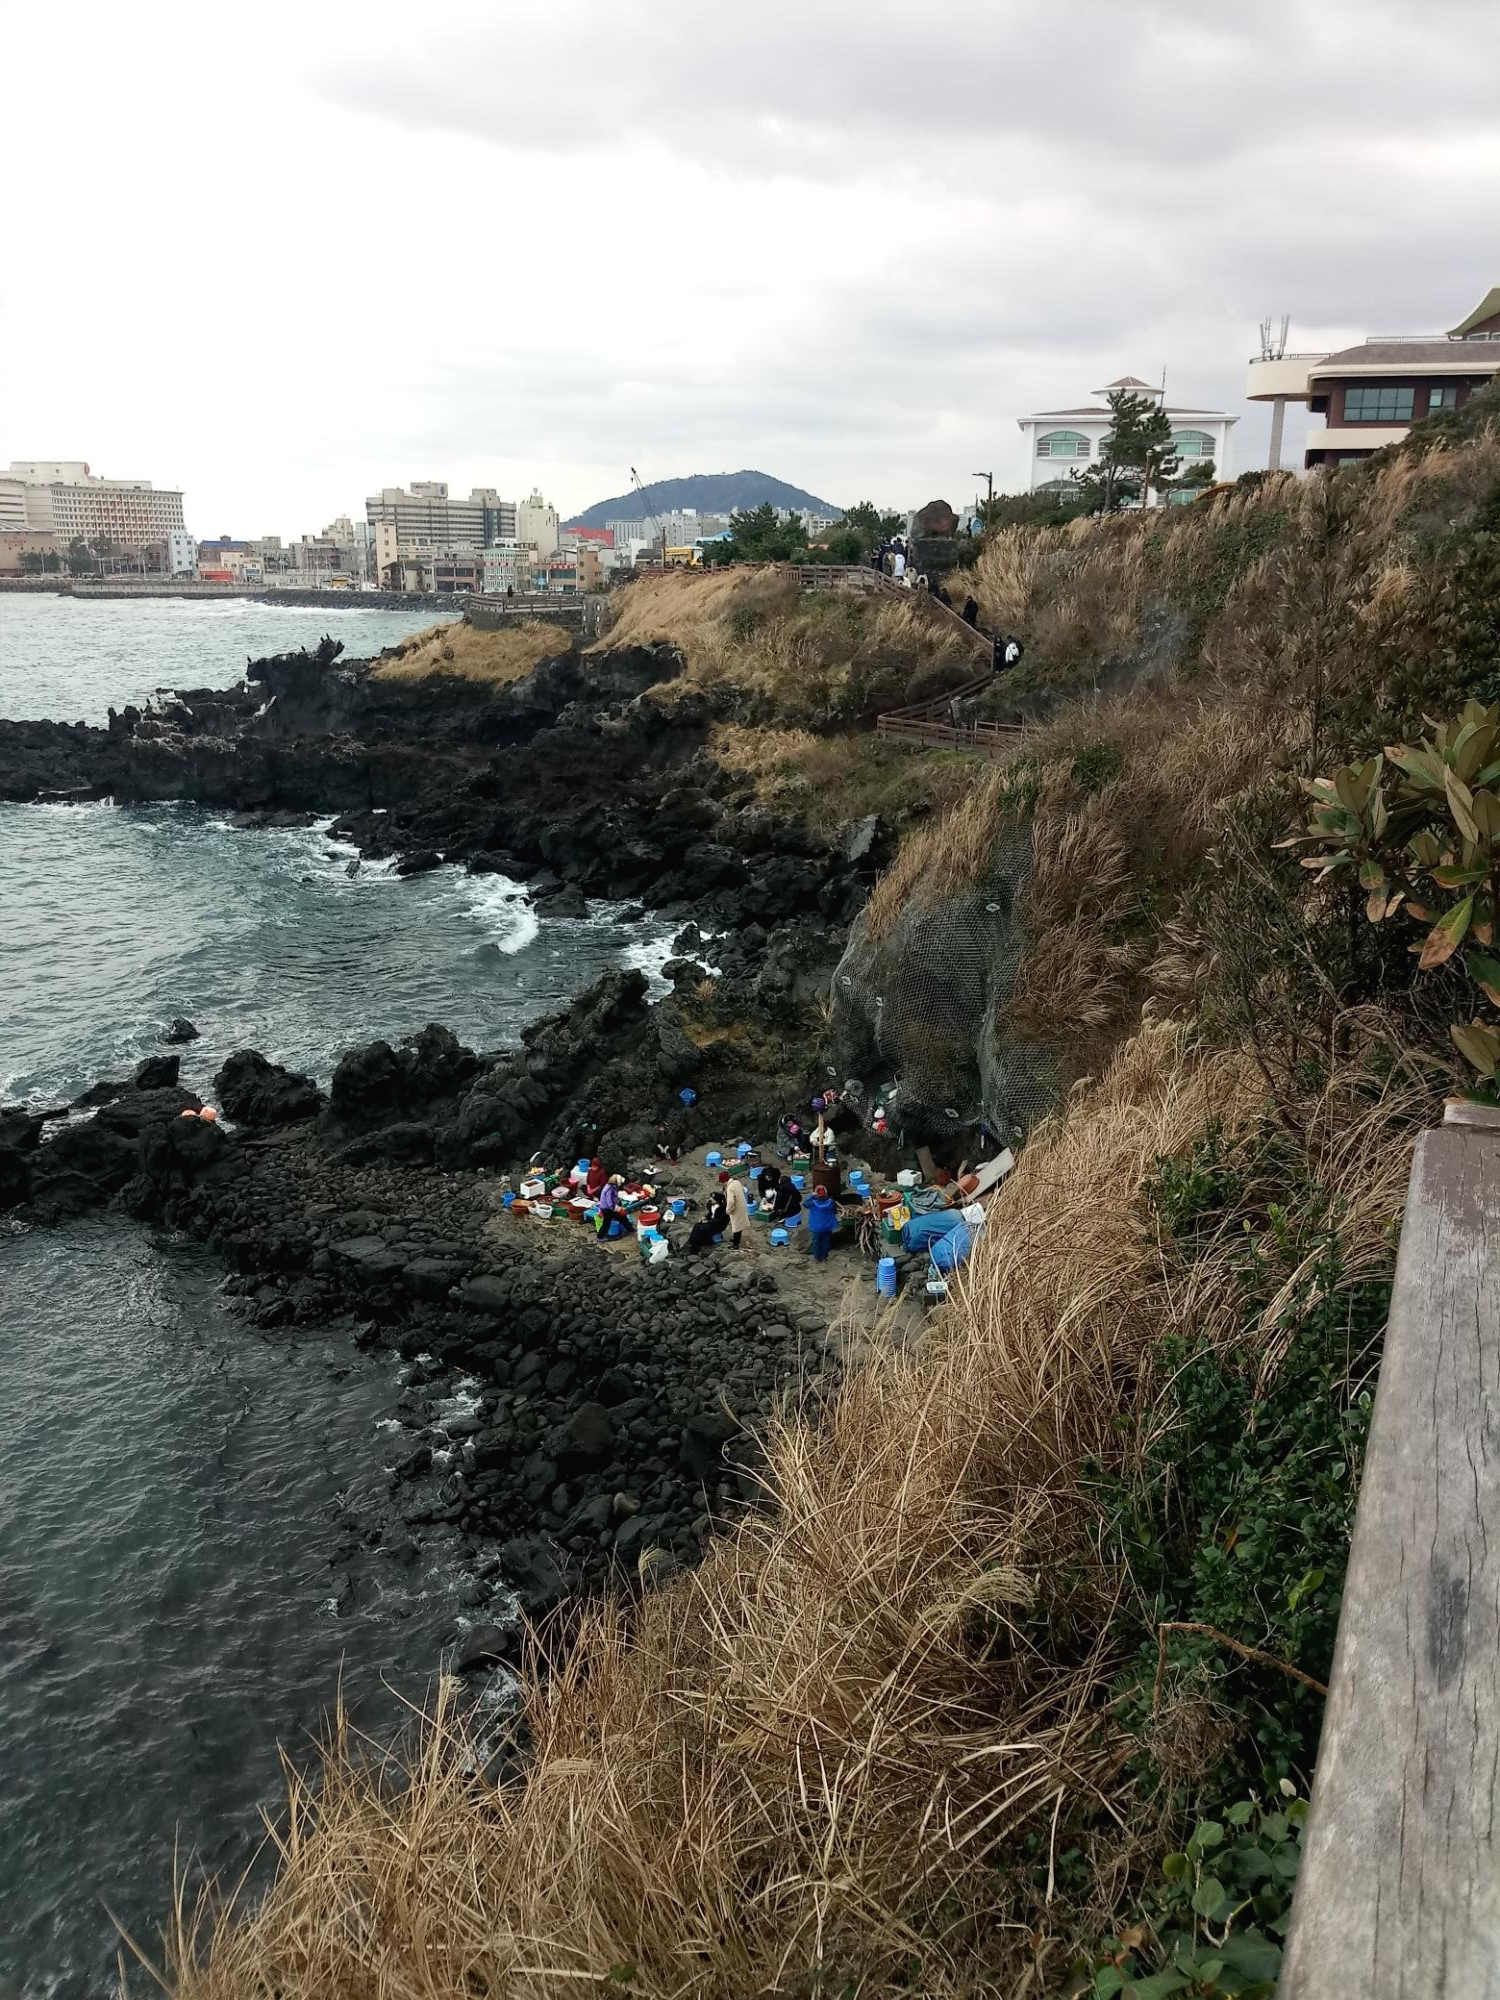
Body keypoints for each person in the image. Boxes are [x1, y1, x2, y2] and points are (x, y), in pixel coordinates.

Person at [688, 1187, 729, 1253]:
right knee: (696, 1226)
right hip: (711, 1221)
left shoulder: (722, 1209)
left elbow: (719, 1220)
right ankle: (692, 1241)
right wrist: (705, 1217)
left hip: (718, 1225)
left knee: (701, 1228)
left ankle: (699, 1243)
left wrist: (708, 1221)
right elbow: (710, 1213)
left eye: (713, 1199)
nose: (711, 1199)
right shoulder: (712, 1205)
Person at [805, 1184, 839, 1263]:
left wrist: (812, 1196)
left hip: (816, 1227)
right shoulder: (831, 1202)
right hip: (828, 1226)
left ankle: (817, 1257)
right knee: (826, 1241)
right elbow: (834, 1211)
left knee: (816, 1242)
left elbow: (805, 1203)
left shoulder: (812, 1203)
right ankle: (824, 1257)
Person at [720, 1170, 750, 1250]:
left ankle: (736, 1244)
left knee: (736, 1226)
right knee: (740, 1224)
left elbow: (731, 1201)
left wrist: (728, 1210)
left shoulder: (730, 1188)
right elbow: (743, 1190)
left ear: (724, 1181)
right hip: (742, 1205)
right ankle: (737, 1240)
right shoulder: (737, 1182)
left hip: (736, 1208)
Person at [596, 1174, 630, 1238]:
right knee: (606, 1224)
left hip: (608, 1208)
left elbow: (614, 1199)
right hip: (607, 1209)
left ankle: (630, 1230)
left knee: (622, 1218)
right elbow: (611, 1204)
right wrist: (620, 1209)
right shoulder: (610, 1189)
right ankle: (600, 1237)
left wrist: (619, 1206)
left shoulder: (611, 1186)